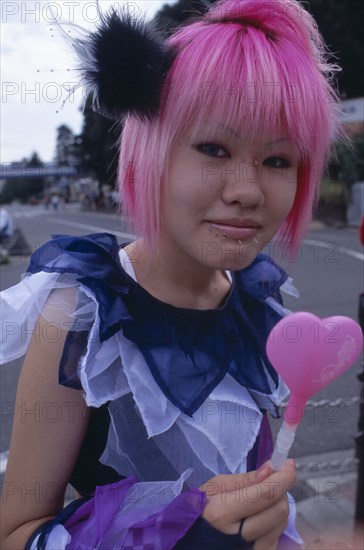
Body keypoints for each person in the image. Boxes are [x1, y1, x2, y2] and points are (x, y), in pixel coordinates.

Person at [0, 0, 341, 548]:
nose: (247, 190)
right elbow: (15, 532)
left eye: (278, 160)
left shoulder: (259, 307)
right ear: (150, 152)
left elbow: (249, 483)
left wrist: (266, 519)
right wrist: (170, 536)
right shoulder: (84, 313)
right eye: (213, 148)